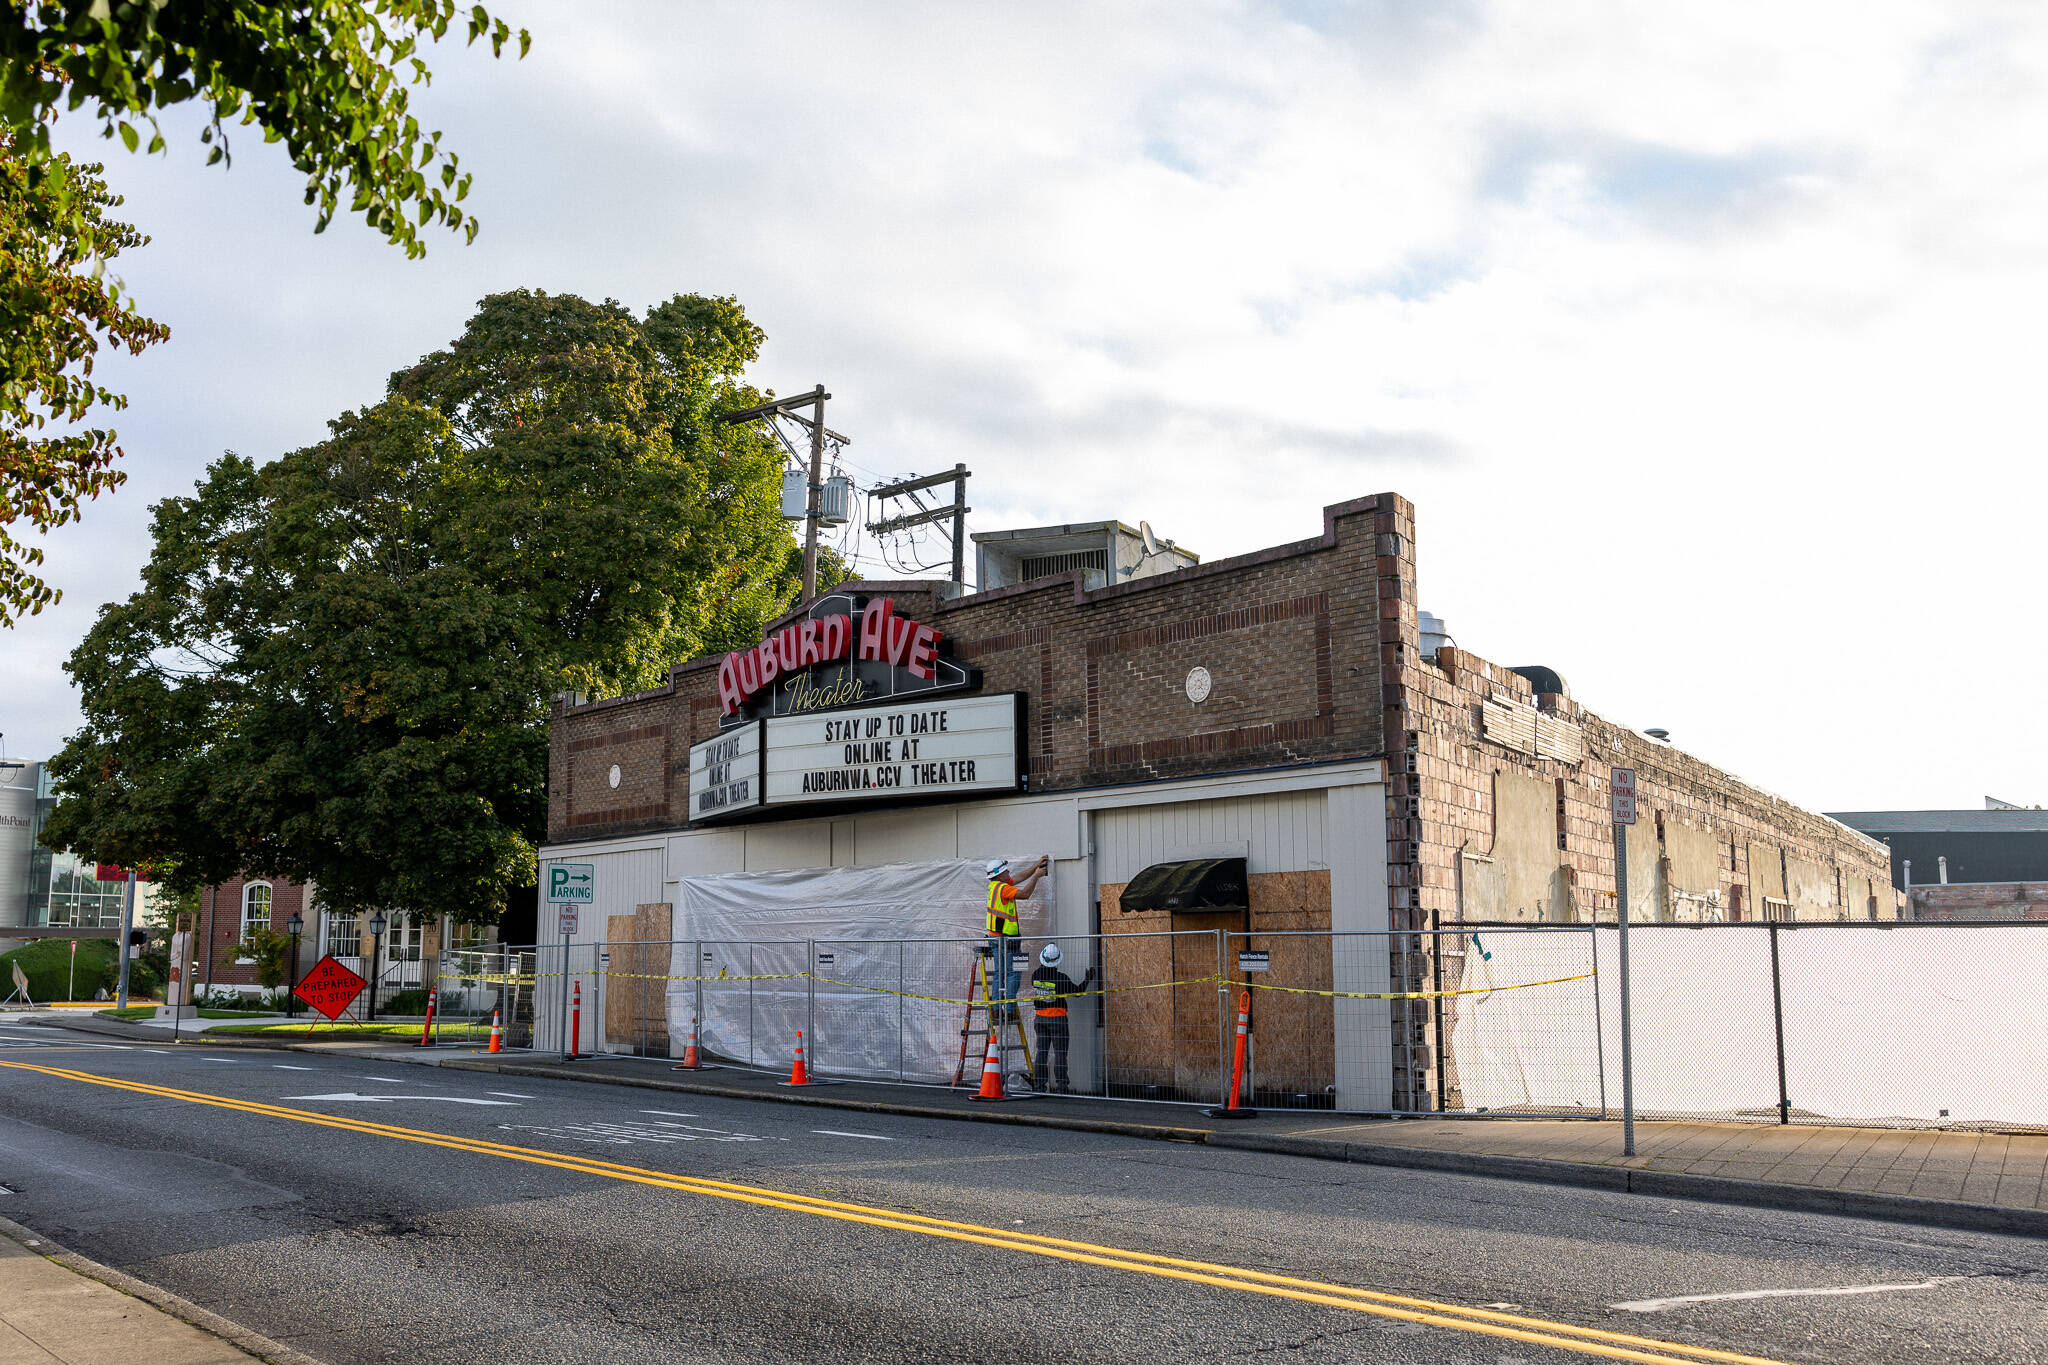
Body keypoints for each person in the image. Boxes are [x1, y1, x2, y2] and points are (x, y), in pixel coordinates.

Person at [984, 854, 1047, 1019]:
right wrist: (1037, 876)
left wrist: (1035, 866)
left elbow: (1018, 877)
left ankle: (996, 1009)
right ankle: (1010, 1011)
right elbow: (1025, 894)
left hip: (996, 938)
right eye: (1005, 871)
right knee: (1015, 973)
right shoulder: (1003, 888)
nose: (1009, 873)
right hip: (1010, 939)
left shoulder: (995, 886)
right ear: (998, 875)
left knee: (999, 973)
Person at [1029, 942, 1092, 1093]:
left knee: (1041, 1053)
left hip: (1040, 1019)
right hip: (1057, 1019)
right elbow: (1077, 993)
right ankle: (1062, 1087)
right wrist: (1087, 979)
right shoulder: (1061, 978)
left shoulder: (1035, 975)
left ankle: (1039, 1086)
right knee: (1060, 1054)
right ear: (1058, 960)